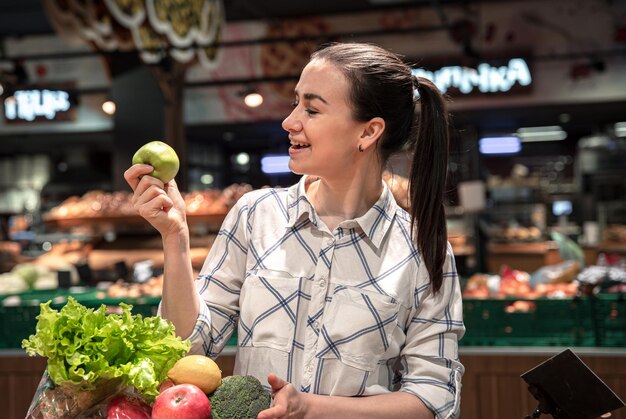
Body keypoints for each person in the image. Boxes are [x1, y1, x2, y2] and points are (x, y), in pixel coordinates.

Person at [124, 42, 464, 419]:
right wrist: (175, 239)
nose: (290, 121)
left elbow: (434, 398)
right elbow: (188, 350)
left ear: (368, 133)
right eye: (295, 103)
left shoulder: (422, 251)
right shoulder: (255, 215)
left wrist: (311, 408)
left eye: (312, 109)